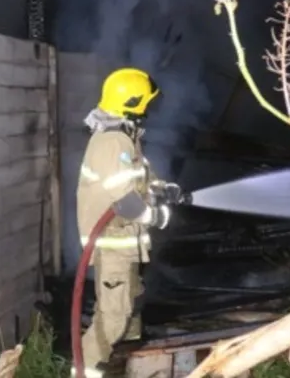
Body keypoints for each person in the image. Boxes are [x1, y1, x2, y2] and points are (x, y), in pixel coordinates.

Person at [75, 67, 176, 377]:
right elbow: (124, 198)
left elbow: (139, 177)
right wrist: (154, 216)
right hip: (112, 242)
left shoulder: (123, 135)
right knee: (113, 317)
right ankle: (85, 371)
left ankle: (122, 368)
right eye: (147, 102)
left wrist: (163, 189)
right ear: (135, 103)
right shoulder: (112, 142)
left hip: (124, 242)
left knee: (129, 310)